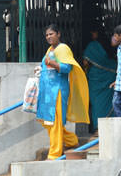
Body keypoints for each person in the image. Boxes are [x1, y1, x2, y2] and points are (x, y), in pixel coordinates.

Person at [36, 24, 89, 159]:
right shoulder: (49, 50)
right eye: (47, 35)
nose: (48, 37)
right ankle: (71, 140)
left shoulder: (63, 48)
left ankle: (54, 153)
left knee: (53, 122)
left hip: (57, 90)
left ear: (58, 34)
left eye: (51, 34)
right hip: (47, 91)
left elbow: (67, 68)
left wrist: (52, 64)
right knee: (46, 120)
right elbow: (46, 66)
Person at [82, 26, 116, 134]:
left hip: (95, 80)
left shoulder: (92, 45)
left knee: (96, 104)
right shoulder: (109, 45)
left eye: (93, 32)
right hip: (110, 78)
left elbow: (85, 62)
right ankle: (110, 127)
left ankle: (98, 129)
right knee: (108, 102)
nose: (92, 34)